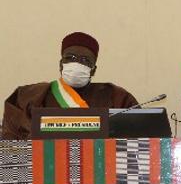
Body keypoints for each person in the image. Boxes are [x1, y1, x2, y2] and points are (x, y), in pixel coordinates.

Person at [1, 32, 138, 139]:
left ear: (93, 70)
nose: (77, 63)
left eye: (85, 60)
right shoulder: (28, 96)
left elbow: (138, 138)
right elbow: (12, 145)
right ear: (61, 64)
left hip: (100, 165)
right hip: (44, 165)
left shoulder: (116, 97)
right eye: (70, 58)